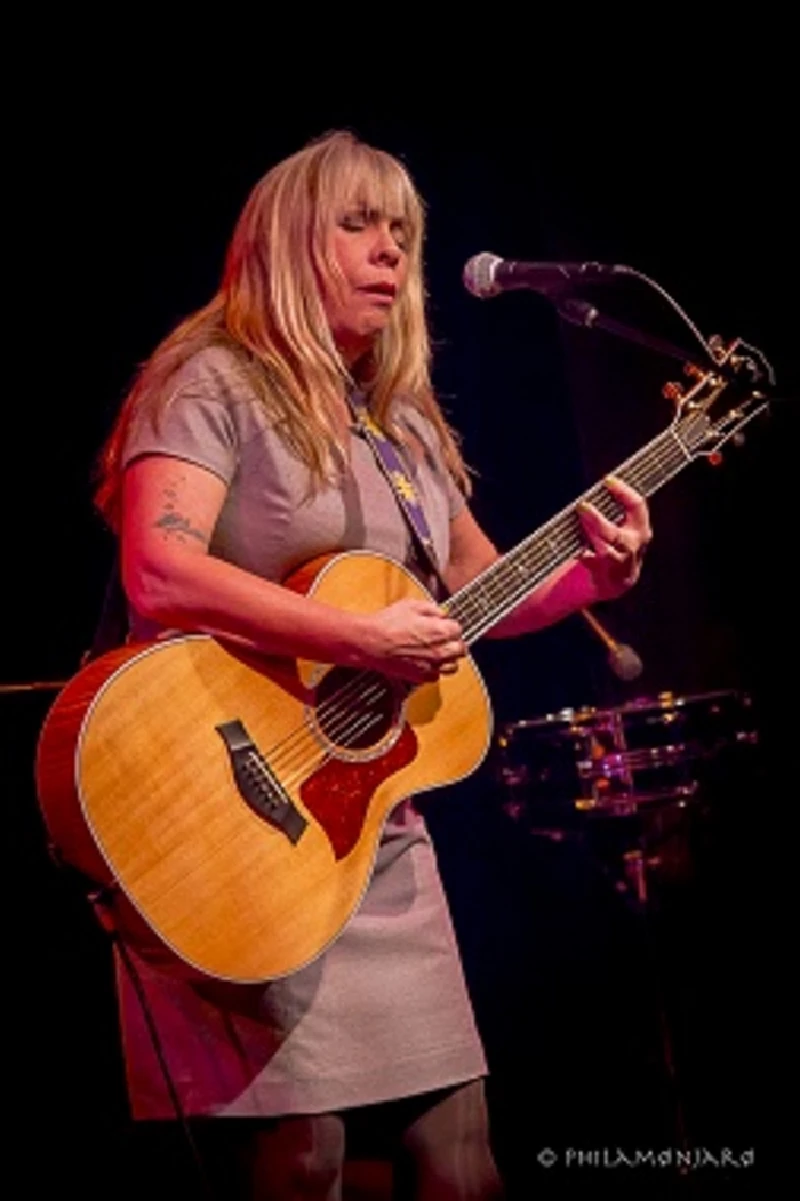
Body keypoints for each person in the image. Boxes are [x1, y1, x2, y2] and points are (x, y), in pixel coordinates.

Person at [90, 128, 652, 1200]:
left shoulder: (395, 422)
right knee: (306, 1160)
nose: (390, 251)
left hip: (375, 838)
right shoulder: (210, 381)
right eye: (357, 224)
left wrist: (594, 580)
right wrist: (351, 635)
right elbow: (159, 571)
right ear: (287, 243)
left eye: (401, 230)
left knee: (459, 1150)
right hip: (234, 817)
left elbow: (478, 588)